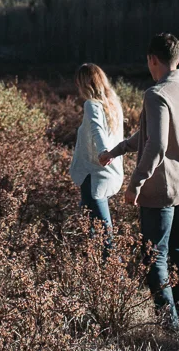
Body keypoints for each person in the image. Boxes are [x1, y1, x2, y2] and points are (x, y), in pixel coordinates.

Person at [99, 33, 179, 330]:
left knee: (154, 256)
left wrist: (135, 185)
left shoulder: (156, 94)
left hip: (162, 189)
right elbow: (147, 136)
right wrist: (116, 151)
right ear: (177, 59)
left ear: (152, 59)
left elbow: (156, 145)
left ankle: (170, 326)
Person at [70, 63, 125, 235]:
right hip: (110, 175)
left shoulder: (91, 104)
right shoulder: (113, 105)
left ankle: (115, 262)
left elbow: (96, 129)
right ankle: (94, 261)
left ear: (85, 84)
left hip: (95, 177)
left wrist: (103, 152)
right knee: (92, 231)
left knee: (104, 237)